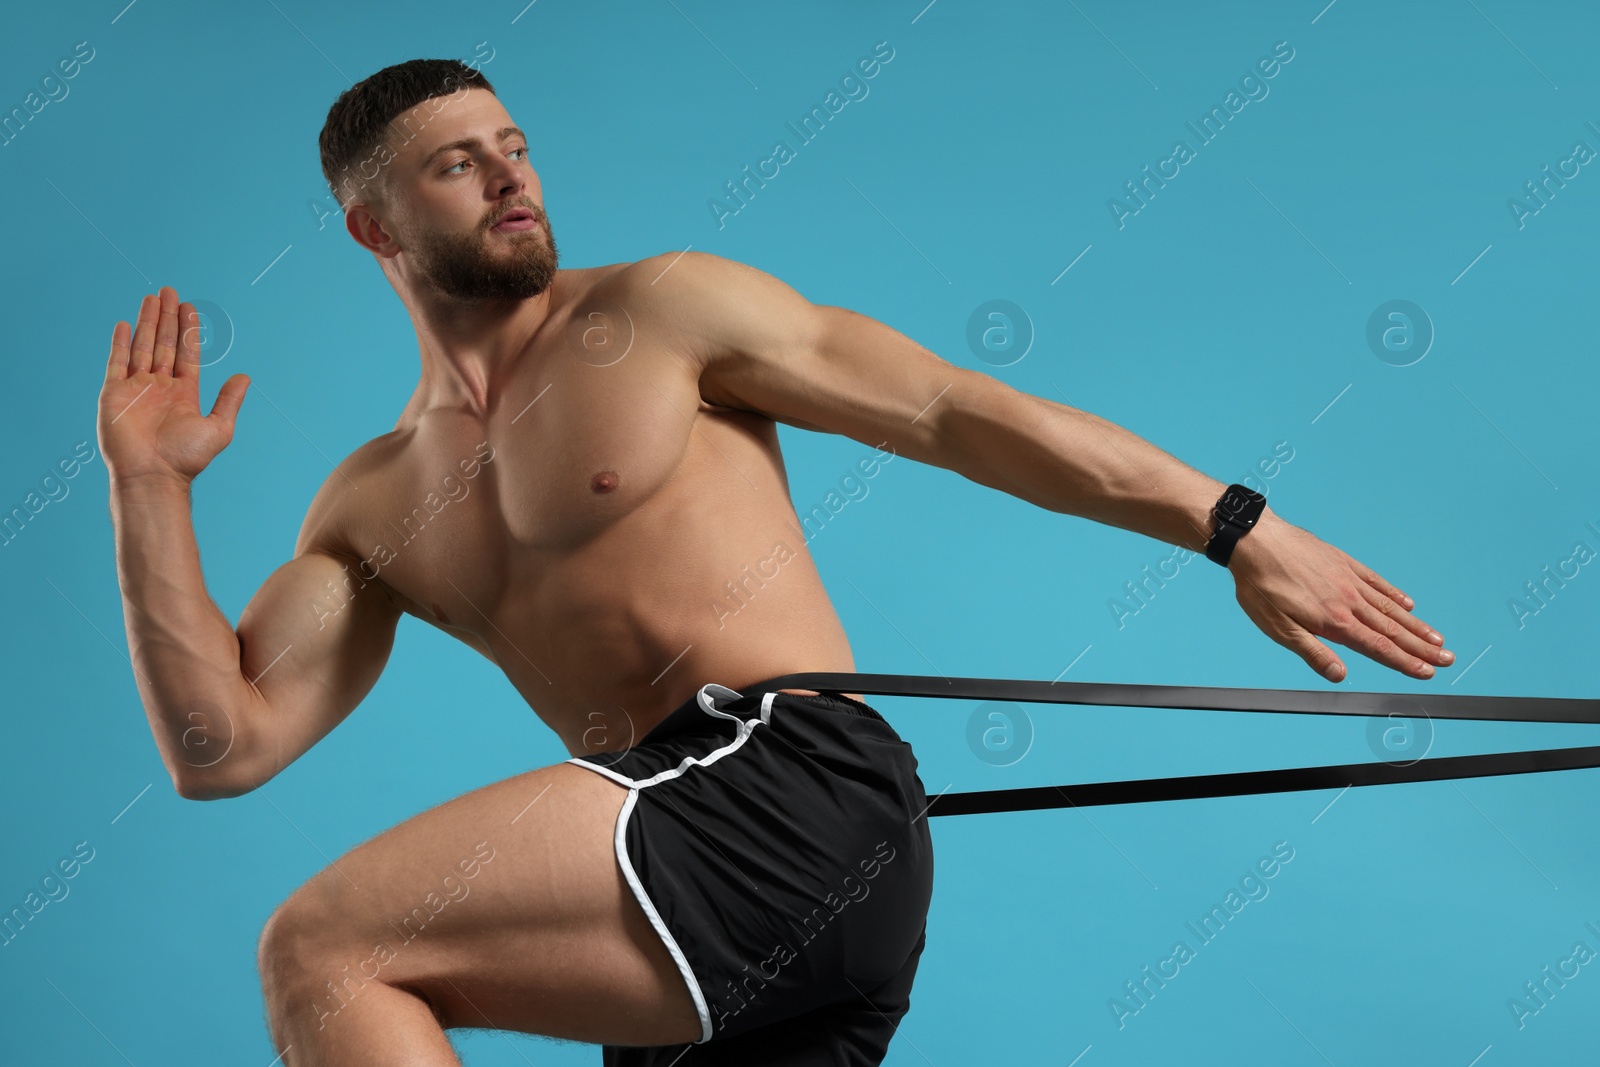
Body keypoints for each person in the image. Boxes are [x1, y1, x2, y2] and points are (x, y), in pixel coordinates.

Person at [96, 58, 1454, 1067]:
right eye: (459, 163)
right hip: (689, 899)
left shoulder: (662, 312)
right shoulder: (374, 499)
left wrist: (1236, 526)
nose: (512, 175)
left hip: (787, 792)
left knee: (325, 950)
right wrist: (149, 489)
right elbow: (226, 746)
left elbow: (950, 411)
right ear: (375, 228)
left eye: (514, 145)